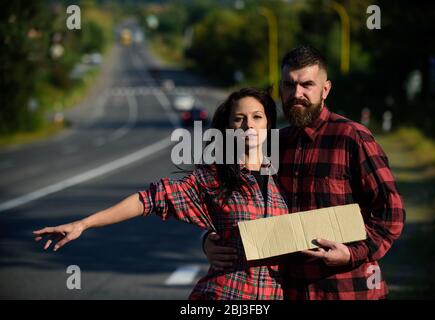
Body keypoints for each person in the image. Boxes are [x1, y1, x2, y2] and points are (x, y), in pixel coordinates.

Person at [33, 87, 291, 300]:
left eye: (257, 117)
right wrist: (84, 223)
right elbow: (147, 200)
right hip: (226, 295)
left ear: (268, 123)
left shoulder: (285, 175)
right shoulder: (213, 177)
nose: (249, 125)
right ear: (229, 127)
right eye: (239, 119)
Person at [203, 45, 406, 300]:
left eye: (306, 85)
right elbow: (236, 201)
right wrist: (209, 239)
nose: (296, 94)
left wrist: (353, 253)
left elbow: (392, 212)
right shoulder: (273, 144)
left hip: (348, 291)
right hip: (290, 291)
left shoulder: (352, 138)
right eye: (289, 85)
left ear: (325, 89)